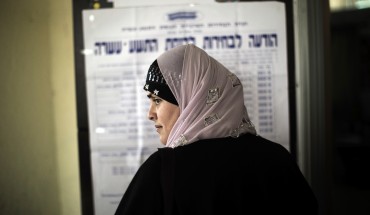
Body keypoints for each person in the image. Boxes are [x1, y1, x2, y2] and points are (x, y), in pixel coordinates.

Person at [115, 44, 318, 215]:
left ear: (190, 101)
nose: (150, 114)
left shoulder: (163, 171)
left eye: (157, 100)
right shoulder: (278, 158)